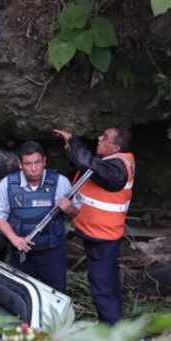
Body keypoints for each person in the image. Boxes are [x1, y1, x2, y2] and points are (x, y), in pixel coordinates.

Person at [54, 126, 135, 326]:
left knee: (103, 292)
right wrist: (71, 152)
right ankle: (117, 335)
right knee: (110, 288)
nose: (99, 138)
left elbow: (88, 164)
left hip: (103, 239)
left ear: (115, 147)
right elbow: (83, 168)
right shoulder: (111, 163)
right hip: (99, 236)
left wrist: (73, 140)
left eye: (105, 137)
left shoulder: (117, 170)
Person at [0, 140, 71, 292]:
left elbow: (77, 213)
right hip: (22, 253)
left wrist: (70, 209)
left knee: (56, 295)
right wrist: (14, 238)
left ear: (44, 161)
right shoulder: (8, 184)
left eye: (37, 163)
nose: (33, 169)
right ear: (20, 164)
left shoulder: (60, 183)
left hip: (53, 254)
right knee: (22, 296)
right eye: (28, 164)